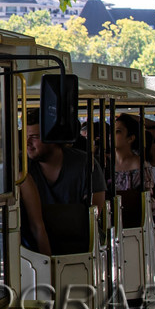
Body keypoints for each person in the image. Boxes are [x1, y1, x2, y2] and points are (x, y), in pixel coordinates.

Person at [20, 107, 107, 255]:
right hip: (35, 250)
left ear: (53, 138)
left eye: (35, 137)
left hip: (81, 247)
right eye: (25, 137)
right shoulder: (21, 167)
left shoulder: (84, 164)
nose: (27, 143)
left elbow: (94, 214)